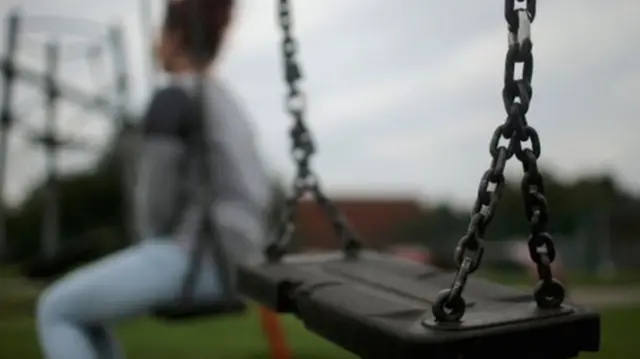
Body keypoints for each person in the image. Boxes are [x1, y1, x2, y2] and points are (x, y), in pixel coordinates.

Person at [36, 1, 271, 358]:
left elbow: (154, 203)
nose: (153, 44)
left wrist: (149, 243)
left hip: (198, 257)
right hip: (243, 261)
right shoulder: (228, 102)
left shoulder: (173, 98)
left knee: (55, 309)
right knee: (89, 316)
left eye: (158, 34)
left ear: (175, 37)